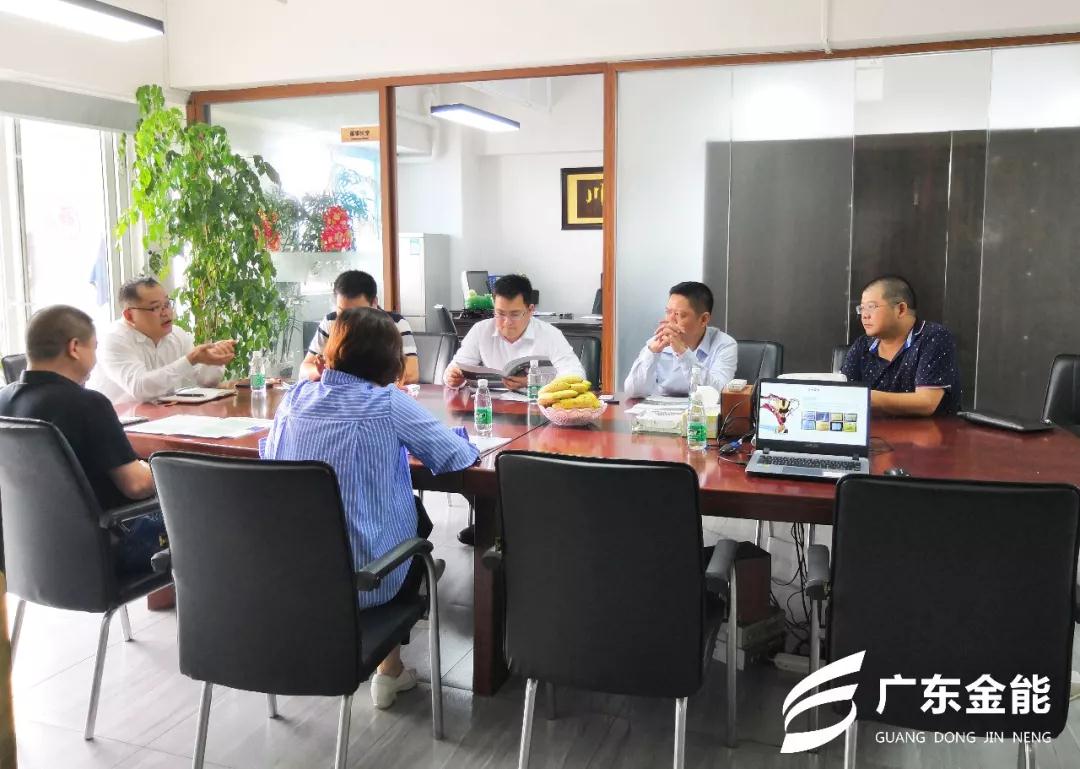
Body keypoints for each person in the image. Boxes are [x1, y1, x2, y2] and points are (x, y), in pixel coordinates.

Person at [261, 307, 477, 709]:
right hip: (362, 581)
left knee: (397, 516)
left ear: (332, 350)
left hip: (286, 575)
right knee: (414, 529)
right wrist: (463, 437)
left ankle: (388, 667)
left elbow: (270, 460)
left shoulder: (295, 397)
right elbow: (455, 457)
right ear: (391, 361)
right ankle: (388, 669)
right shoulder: (387, 402)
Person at [0, 306, 165, 577]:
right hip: (104, 553)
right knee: (203, 510)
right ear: (74, 348)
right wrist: (163, 466)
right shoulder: (87, 404)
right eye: (94, 348)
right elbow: (137, 485)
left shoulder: (3, 401)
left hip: (25, 556)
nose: (96, 359)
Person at [89, 277, 235, 403]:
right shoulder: (114, 339)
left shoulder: (177, 335)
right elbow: (140, 388)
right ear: (129, 316)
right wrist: (189, 360)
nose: (166, 313)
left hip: (162, 417)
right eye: (155, 308)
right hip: (119, 421)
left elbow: (205, 380)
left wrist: (215, 360)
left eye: (167, 304)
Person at [841, 275, 961, 416]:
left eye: (871, 307)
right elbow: (841, 392)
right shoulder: (862, 344)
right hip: (874, 429)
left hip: (930, 429)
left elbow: (926, 402)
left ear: (901, 309)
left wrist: (864, 396)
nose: (864, 315)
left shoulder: (934, 337)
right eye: (862, 308)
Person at [444, 274, 585, 390]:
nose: (507, 322)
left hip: (536, 408)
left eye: (515, 314)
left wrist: (533, 382)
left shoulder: (550, 334)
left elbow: (577, 376)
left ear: (530, 310)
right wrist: (453, 379)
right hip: (492, 407)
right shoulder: (480, 330)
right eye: (500, 313)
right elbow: (455, 368)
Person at [299, 270, 419, 385]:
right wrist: (322, 372)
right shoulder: (331, 322)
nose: (348, 320)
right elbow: (305, 369)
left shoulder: (395, 323)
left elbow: (412, 373)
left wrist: (339, 375)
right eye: (342, 311)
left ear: (374, 303)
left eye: (357, 313)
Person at [623, 281, 738, 398]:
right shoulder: (658, 341)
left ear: (704, 319)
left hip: (702, 409)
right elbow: (632, 392)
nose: (670, 320)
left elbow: (719, 394)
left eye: (679, 314)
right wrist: (652, 352)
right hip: (661, 408)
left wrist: (683, 352)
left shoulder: (724, 344)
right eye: (668, 312)